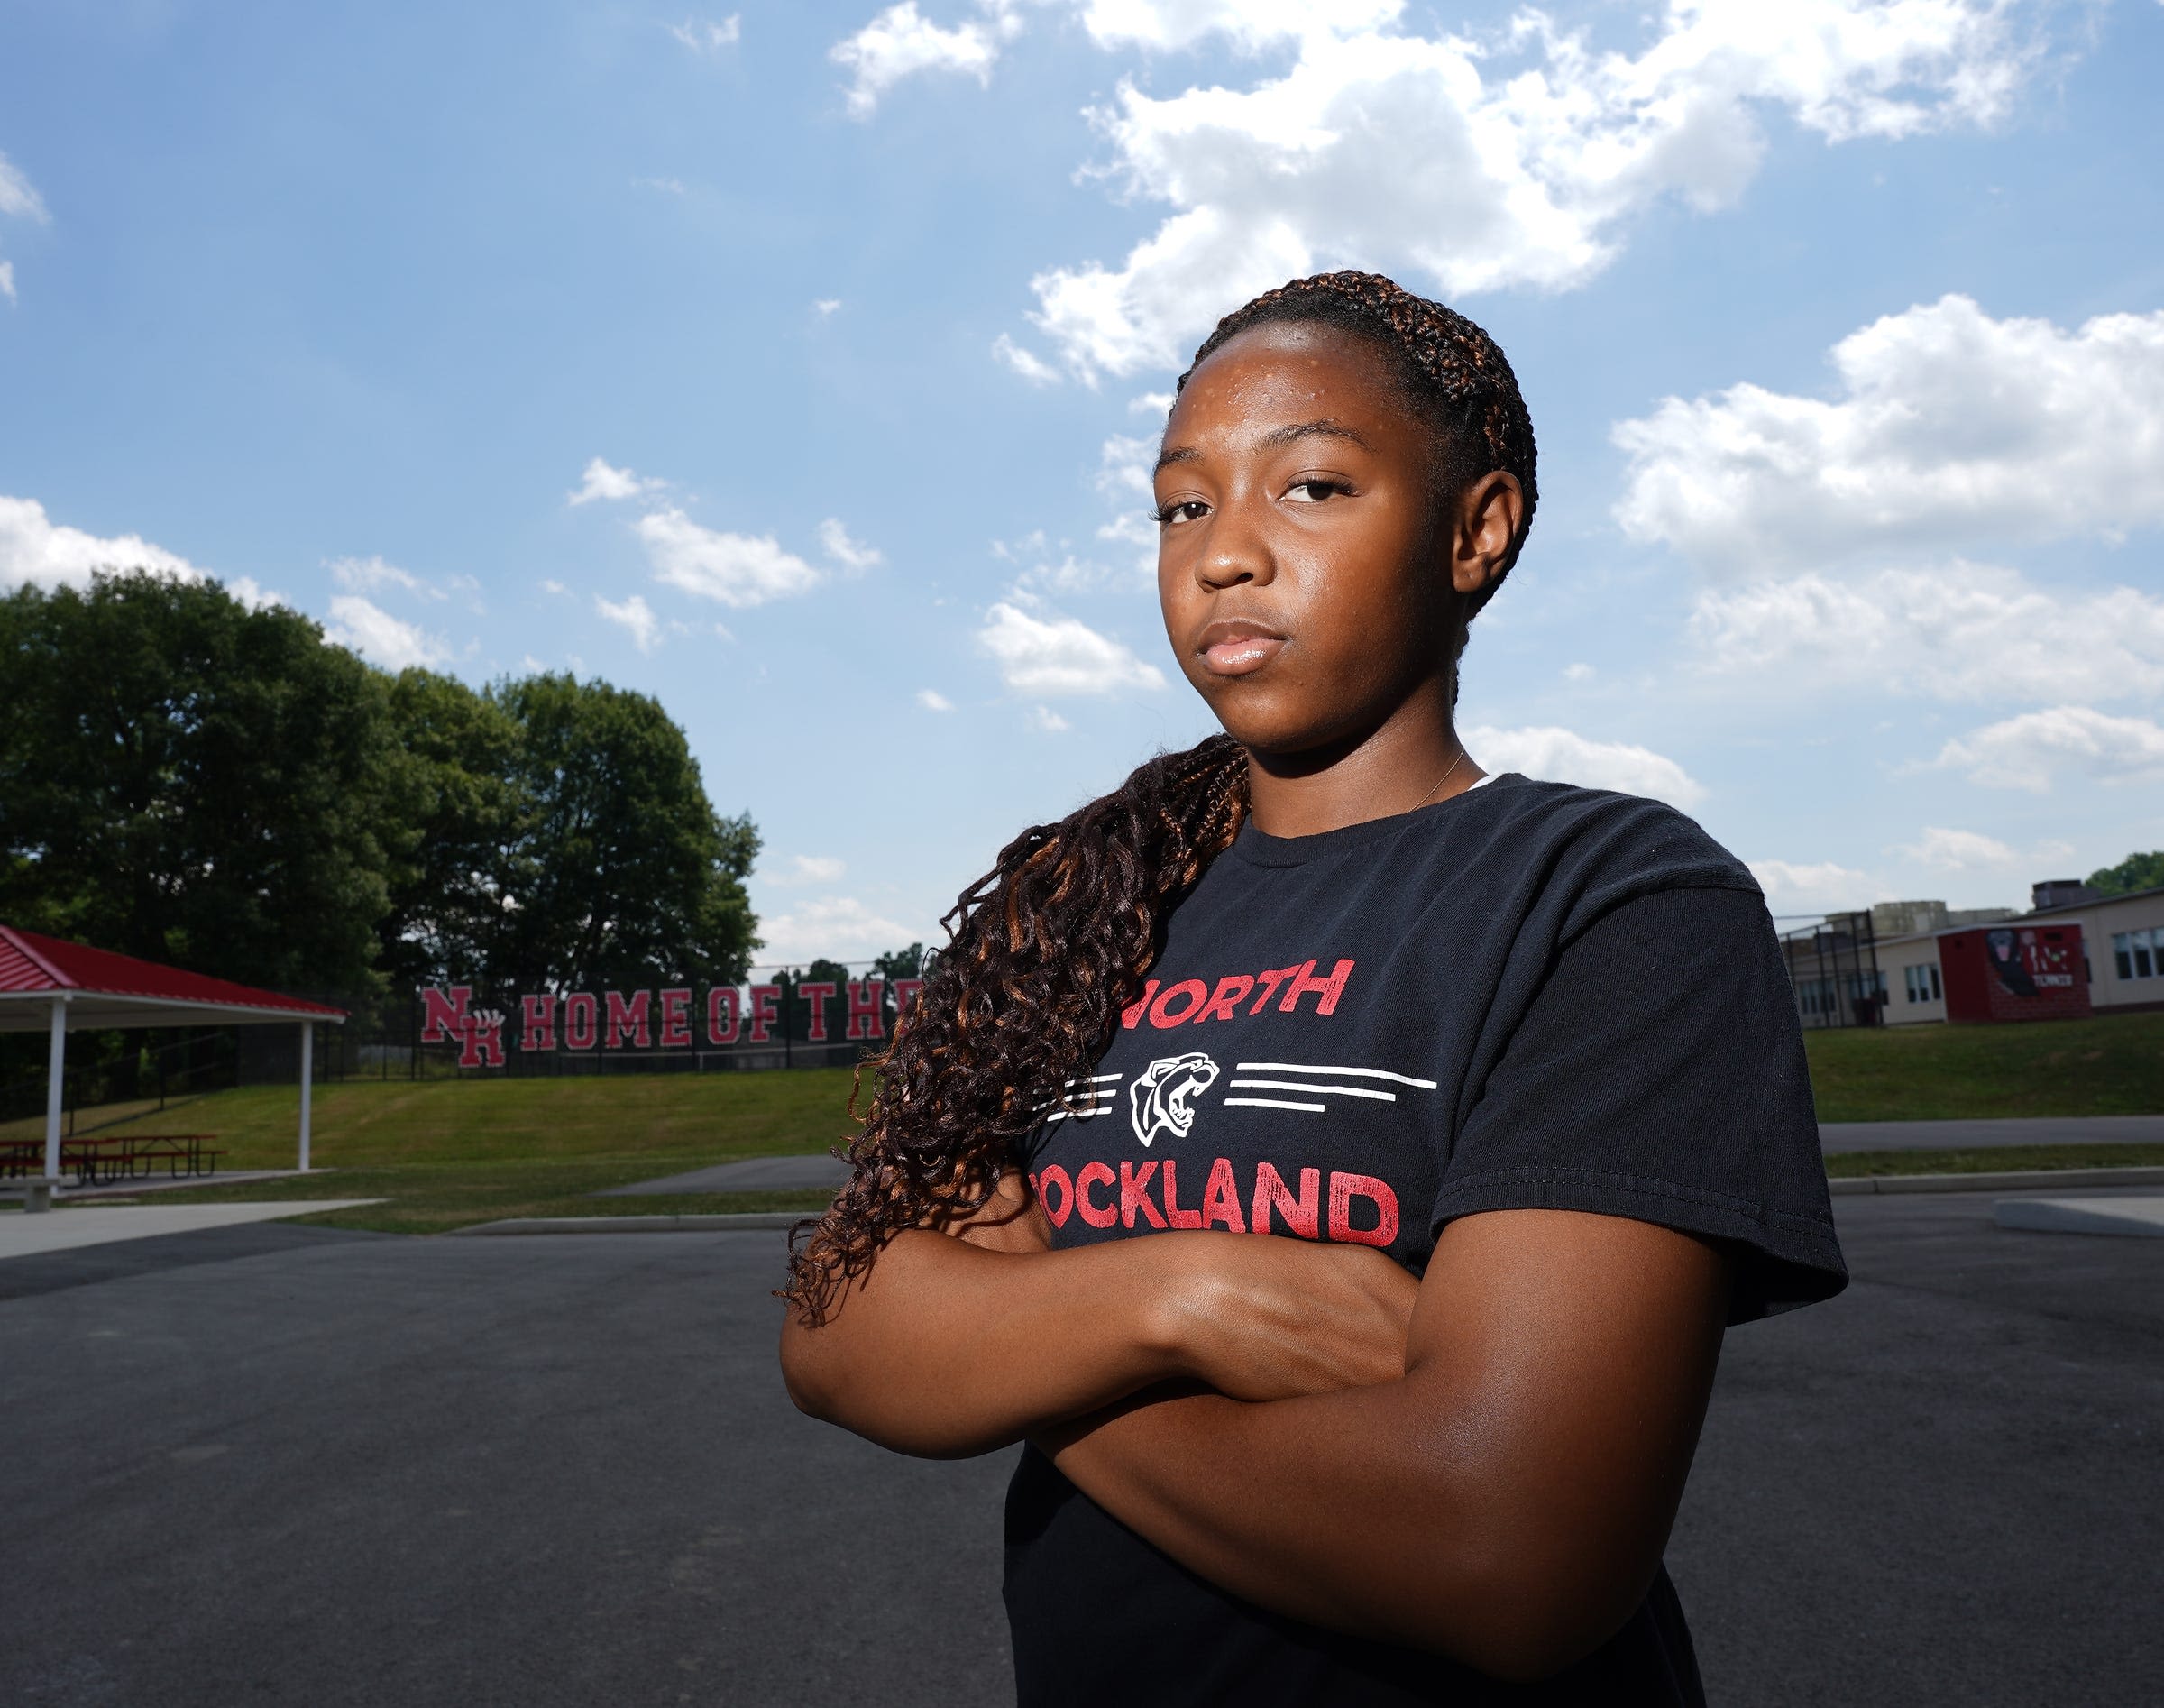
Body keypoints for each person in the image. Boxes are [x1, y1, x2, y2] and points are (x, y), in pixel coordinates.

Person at [779, 270, 1847, 1705]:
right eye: (1181, 504)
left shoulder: (1616, 899)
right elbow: (841, 1328)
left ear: (1475, 530)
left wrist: (1026, 1337)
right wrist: (1191, 1294)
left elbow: (1504, 1542)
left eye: (1314, 488)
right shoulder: (1085, 911)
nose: (1224, 554)